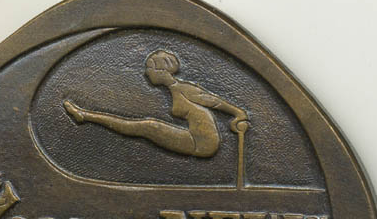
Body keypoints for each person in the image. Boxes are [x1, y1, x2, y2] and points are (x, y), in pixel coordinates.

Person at [64, 50, 249, 158]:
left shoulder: (184, 88)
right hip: (194, 138)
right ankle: (85, 115)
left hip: (202, 143)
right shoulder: (175, 89)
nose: (147, 73)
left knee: (148, 126)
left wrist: (238, 113)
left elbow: (214, 101)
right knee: (147, 126)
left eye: (150, 68)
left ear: (161, 71)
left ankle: (85, 116)